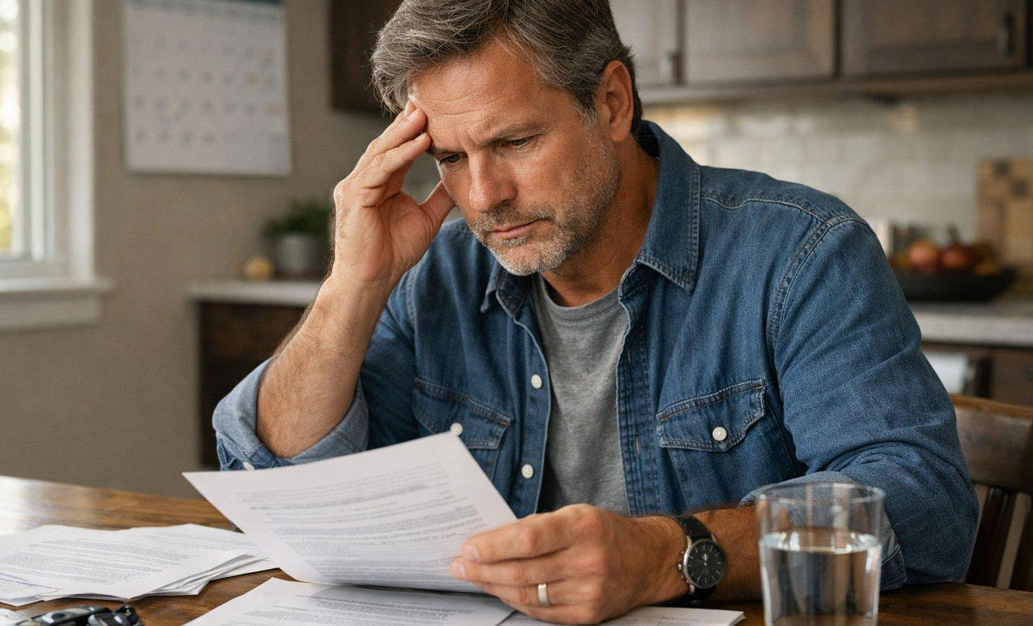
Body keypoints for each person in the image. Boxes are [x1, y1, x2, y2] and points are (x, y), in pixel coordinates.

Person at [213, 0, 978, 622]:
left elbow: (922, 505)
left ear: (611, 101)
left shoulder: (801, 254)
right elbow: (281, 471)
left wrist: (666, 557)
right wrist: (352, 283)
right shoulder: (437, 271)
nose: (482, 197)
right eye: (449, 157)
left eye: (514, 141)